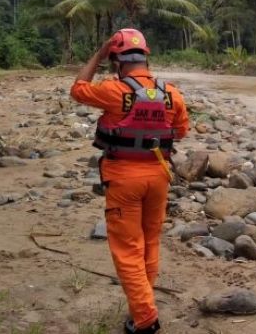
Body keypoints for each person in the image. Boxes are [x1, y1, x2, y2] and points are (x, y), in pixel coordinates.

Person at [70, 28, 189, 334]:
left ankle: (146, 318)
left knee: (127, 249)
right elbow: (181, 131)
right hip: (158, 177)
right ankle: (142, 308)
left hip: (124, 179)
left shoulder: (112, 90)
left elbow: (78, 87)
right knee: (149, 242)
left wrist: (98, 53)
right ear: (146, 58)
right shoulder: (171, 94)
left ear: (117, 61)